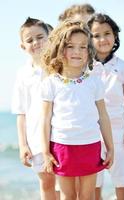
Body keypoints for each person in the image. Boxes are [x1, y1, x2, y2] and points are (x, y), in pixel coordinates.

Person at [40, 20, 114, 200]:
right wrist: (45, 152)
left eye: (82, 47)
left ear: (88, 52)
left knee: (87, 195)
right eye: (71, 46)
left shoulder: (94, 82)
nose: (77, 51)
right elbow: (45, 119)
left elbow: (103, 117)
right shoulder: (51, 83)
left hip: (90, 144)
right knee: (68, 195)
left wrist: (110, 147)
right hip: (62, 146)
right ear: (59, 49)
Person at [11, 17, 59, 200]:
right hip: (36, 138)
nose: (36, 43)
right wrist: (23, 145)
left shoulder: (59, 67)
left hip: (61, 135)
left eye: (40, 37)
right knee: (46, 183)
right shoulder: (23, 74)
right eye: (29, 40)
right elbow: (21, 112)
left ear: (50, 37)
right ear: (23, 46)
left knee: (67, 183)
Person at [88, 13, 124, 200]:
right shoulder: (86, 68)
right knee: (94, 180)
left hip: (117, 131)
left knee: (121, 177)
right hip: (92, 132)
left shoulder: (123, 67)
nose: (102, 39)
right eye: (96, 35)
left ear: (115, 36)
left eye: (107, 33)